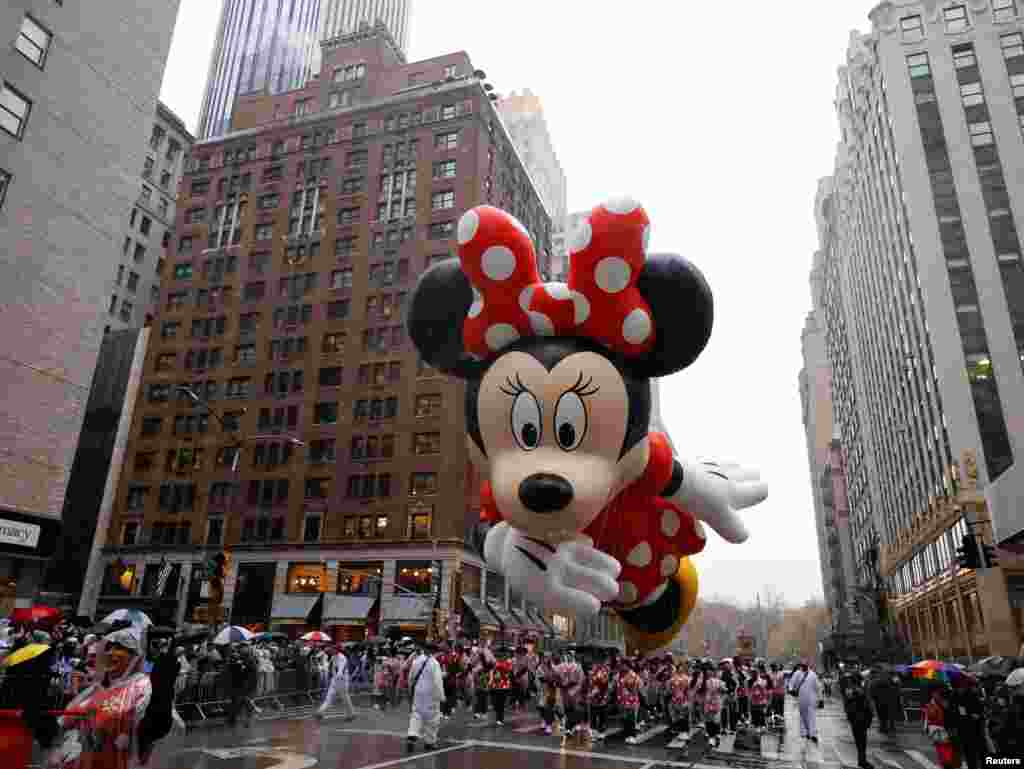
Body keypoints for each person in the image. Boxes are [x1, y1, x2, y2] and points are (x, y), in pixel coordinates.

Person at [406, 643, 445, 752]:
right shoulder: (435, 663)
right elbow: (437, 681)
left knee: (416, 714)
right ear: (433, 651)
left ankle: (412, 734)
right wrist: (441, 696)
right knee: (432, 718)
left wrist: (410, 690)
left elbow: (411, 677)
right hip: (431, 693)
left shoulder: (416, 661)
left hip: (418, 692)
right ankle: (430, 742)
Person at [842, 673, 874, 769]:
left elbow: (846, 705)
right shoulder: (861, 690)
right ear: (859, 681)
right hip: (861, 718)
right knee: (862, 741)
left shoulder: (849, 690)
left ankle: (861, 759)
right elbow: (867, 705)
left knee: (859, 740)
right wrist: (870, 717)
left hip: (854, 718)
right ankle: (862, 761)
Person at [924, 685, 960, 769]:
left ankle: (950, 765)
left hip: (948, 730)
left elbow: (952, 715)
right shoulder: (932, 704)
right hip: (939, 732)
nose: (936, 695)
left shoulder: (947, 702)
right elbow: (929, 717)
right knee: (943, 753)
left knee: (949, 753)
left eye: (937, 693)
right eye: (935, 693)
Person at [317, 646, 355, 721]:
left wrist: (336, 677)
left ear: (337, 650)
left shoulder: (342, 658)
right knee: (329, 697)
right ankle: (320, 712)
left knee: (345, 699)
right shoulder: (333, 657)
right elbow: (331, 666)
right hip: (335, 680)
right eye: (331, 649)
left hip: (342, 681)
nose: (331, 650)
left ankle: (351, 714)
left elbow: (340, 670)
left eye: (332, 649)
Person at [788, 662, 820, 742]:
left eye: (805, 665)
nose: (803, 667)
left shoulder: (813, 674)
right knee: (803, 715)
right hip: (801, 698)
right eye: (802, 665)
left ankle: (812, 733)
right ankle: (804, 732)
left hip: (811, 699)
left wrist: (820, 698)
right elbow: (791, 683)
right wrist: (791, 690)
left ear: (807, 666)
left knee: (811, 715)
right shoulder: (797, 673)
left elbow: (817, 687)